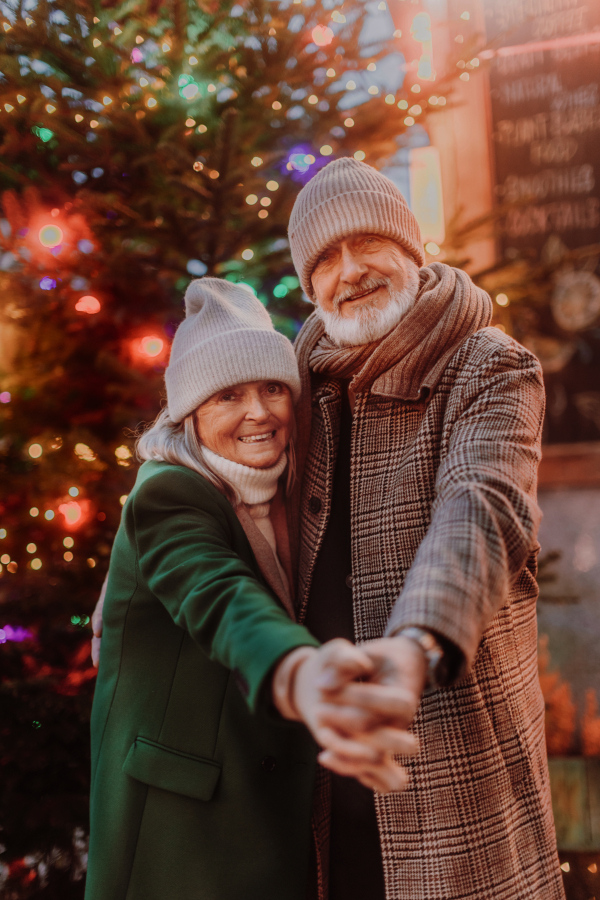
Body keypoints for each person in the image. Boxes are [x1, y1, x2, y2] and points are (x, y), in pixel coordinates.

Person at [284, 157, 566, 900]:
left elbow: (483, 507)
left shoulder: (489, 365)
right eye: (324, 260)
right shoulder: (294, 385)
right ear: (309, 285)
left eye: (367, 243)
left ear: (413, 249)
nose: (349, 272)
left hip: (455, 773)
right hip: (327, 778)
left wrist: (417, 644)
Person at [85, 277, 419, 900]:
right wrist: (299, 672)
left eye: (272, 388)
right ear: (190, 412)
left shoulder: (296, 486)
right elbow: (219, 597)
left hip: (273, 818)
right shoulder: (170, 492)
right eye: (228, 395)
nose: (258, 412)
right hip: (179, 830)